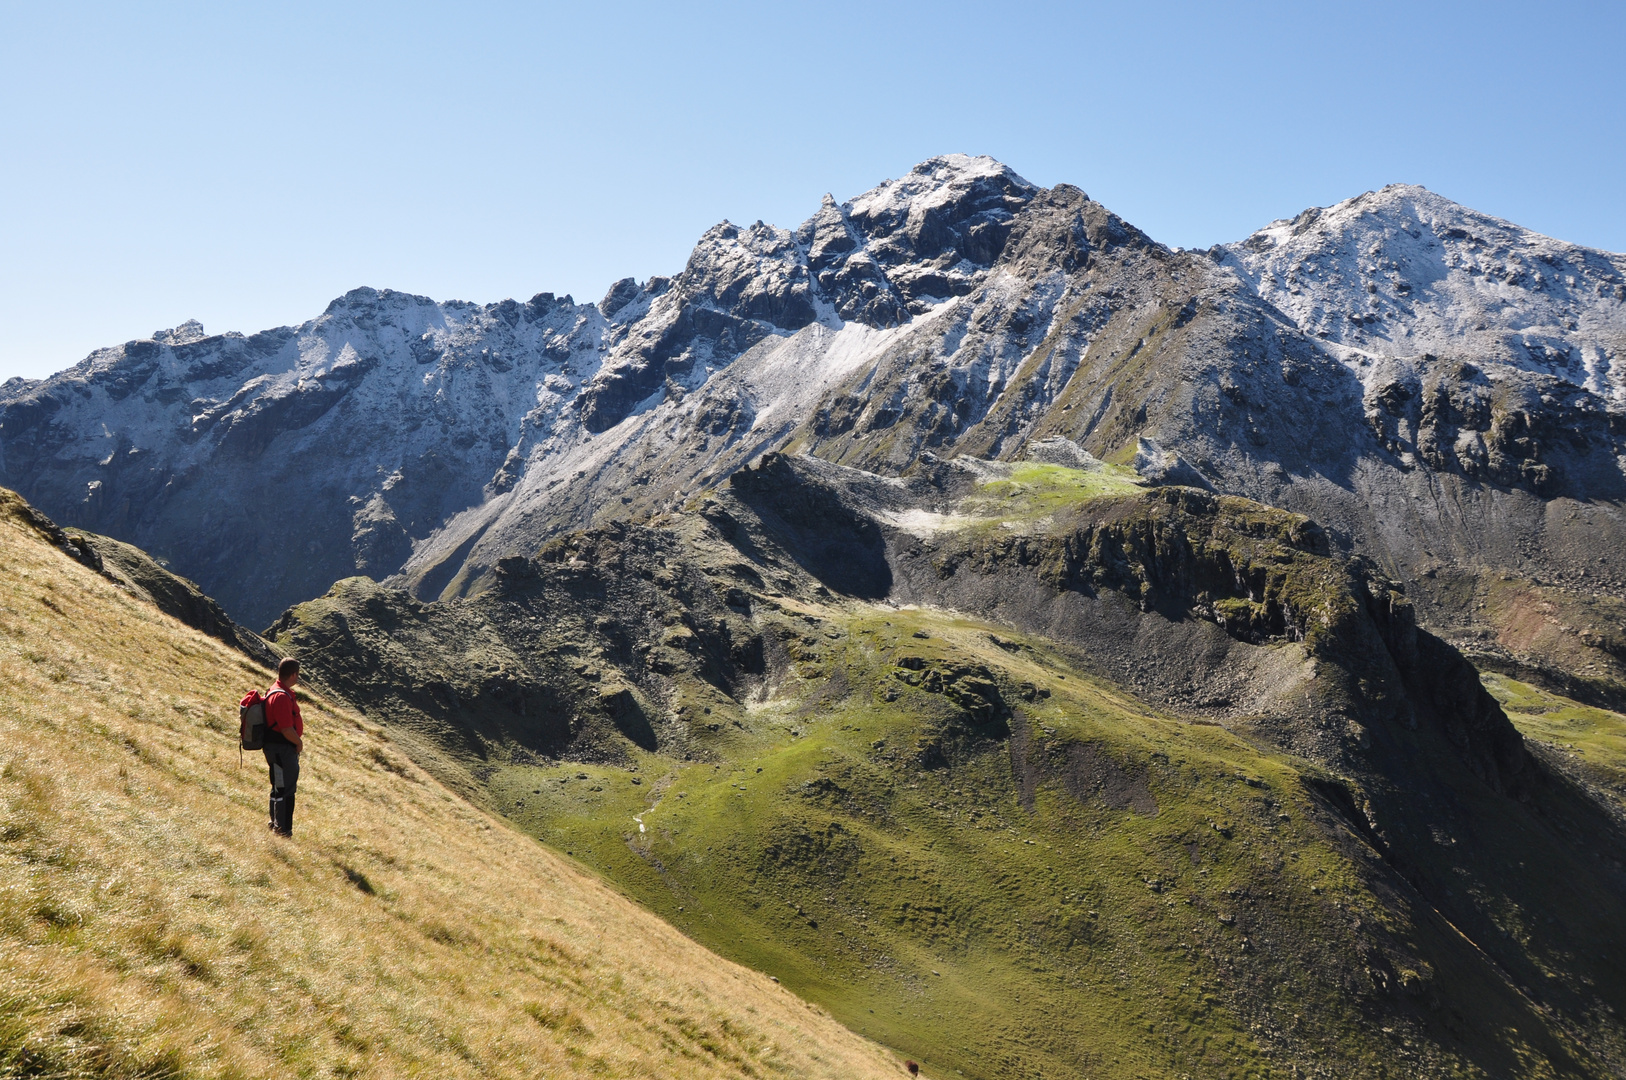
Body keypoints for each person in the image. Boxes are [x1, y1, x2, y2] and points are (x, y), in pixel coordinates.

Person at [263, 657, 304, 837]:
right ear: (293, 674)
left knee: (278, 786)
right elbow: (286, 728)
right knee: (286, 788)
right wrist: (298, 743)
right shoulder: (281, 696)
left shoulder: (275, 690)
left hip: (276, 748)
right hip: (282, 749)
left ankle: (276, 823)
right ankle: (284, 829)